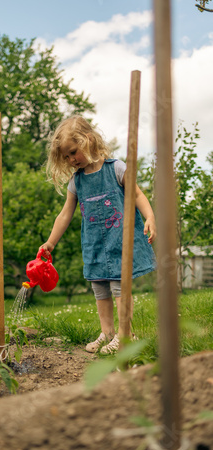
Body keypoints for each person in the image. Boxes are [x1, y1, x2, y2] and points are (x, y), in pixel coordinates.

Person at [39, 115, 156, 354]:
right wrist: (51, 242)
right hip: (94, 244)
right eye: (67, 157)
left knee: (118, 288)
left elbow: (137, 195)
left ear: (88, 140)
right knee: (100, 289)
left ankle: (126, 335)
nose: (72, 159)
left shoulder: (116, 169)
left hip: (118, 241)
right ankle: (108, 333)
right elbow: (64, 215)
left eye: (74, 152)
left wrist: (150, 217)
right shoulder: (77, 182)